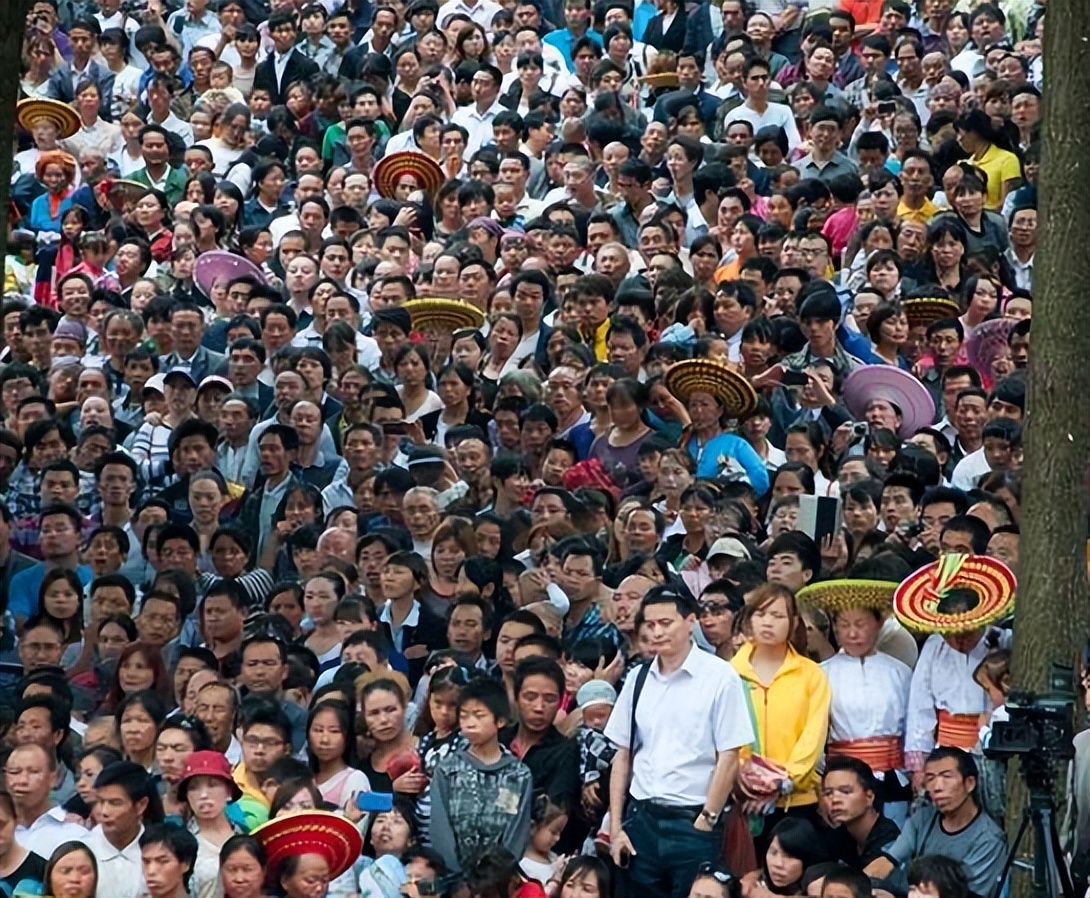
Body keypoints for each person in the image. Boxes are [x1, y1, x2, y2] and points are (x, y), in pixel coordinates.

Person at [605, 586, 753, 898]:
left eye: (666, 623)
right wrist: (616, 827)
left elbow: (729, 755)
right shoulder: (638, 678)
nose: (657, 632)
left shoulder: (720, 676)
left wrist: (707, 818)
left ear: (690, 621)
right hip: (641, 818)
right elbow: (623, 754)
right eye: (650, 624)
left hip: (693, 818)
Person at [864, 748, 1006, 897]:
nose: (937, 787)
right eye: (931, 778)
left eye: (947, 776)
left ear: (969, 783)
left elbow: (965, 894)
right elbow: (887, 861)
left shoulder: (989, 839)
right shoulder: (922, 819)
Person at [430, 676, 534, 875]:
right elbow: (440, 828)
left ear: (500, 721)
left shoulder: (518, 775)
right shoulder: (448, 769)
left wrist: (497, 876)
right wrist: (455, 876)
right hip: (454, 879)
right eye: (464, 716)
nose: (470, 723)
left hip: (499, 880)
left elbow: (516, 832)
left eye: (479, 715)